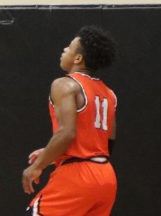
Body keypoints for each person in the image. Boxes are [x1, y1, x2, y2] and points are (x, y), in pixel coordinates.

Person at [22, 26, 118, 216]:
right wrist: (53, 152)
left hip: (77, 177)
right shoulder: (109, 94)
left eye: (69, 47)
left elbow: (66, 133)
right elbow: (108, 142)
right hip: (106, 176)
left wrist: (37, 166)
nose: (64, 50)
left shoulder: (65, 84)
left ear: (78, 59)